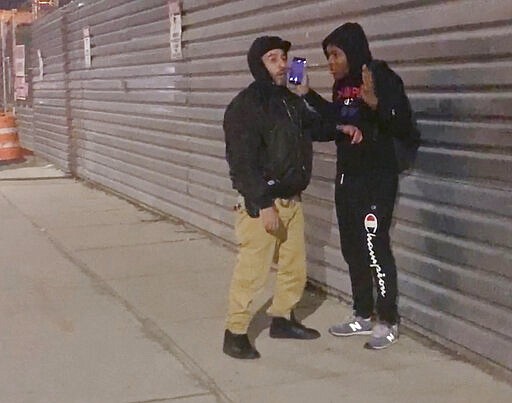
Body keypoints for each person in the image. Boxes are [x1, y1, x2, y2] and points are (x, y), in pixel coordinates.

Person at [222, 35, 362, 359]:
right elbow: (241, 164)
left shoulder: (291, 100)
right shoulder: (246, 106)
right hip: (263, 205)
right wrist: (262, 204)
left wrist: (341, 127)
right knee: (252, 273)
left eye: (284, 57)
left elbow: (318, 127)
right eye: (273, 58)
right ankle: (236, 331)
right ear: (259, 64)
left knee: (294, 268)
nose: (282, 63)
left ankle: (283, 319)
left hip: (292, 202)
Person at [298, 22, 416, 349]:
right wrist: (306, 94)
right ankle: (362, 314)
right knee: (352, 248)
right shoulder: (341, 87)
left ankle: (387, 320)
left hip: (376, 180)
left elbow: (404, 124)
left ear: (352, 51)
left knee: (375, 246)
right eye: (327, 56)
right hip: (347, 179)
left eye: (335, 54)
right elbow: (336, 120)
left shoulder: (380, 76)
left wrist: (377, 104)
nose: (330, 62)